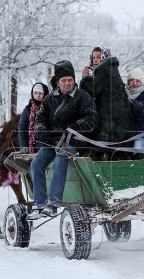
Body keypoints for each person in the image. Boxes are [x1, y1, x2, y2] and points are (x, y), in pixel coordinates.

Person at [28, 61, 98, 219]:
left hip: (75, 143)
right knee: (36, 163)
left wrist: (72, 127)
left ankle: (53, 204)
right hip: (51, 142)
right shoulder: (49, 99)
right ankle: (39, 204)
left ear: (74, 80)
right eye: (64, 80)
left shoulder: (82, 97)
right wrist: (42, 132)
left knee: (61, 156)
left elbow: (92, 120)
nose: (67, 83)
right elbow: (39, 120)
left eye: (70, 80)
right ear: (57, 82)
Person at [89, 54, 134, 159]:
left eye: (98, 57)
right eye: (93, 58)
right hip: (119, 125)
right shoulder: (113, 70)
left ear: (104, 58)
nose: (96, 60)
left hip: (108, 123)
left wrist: (85, 79)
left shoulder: (105, 70)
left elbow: (93, 91)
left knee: (105, 152)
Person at [18, 82, 49, 154]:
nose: (38, 95)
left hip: (47, 146)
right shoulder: (28, 109)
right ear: (32, 94)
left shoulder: (49, 108)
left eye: (40, 93)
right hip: (31, 147)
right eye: (36, 93)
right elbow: (22, 129)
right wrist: (23, 146)